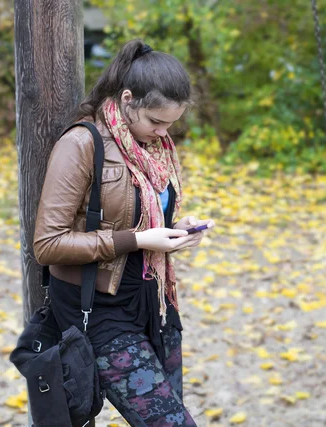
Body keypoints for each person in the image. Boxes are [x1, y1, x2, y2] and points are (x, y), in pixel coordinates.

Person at [32, 39, 215, 426]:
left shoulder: (154, 149)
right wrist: (139, 239)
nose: (164, 132)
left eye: (171, 123)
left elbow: (145, 222)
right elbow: (47, 244)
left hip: (151, 304)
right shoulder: (82, 143)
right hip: (97, 312)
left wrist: (172, 233)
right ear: (128, 99)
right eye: (156, 121)